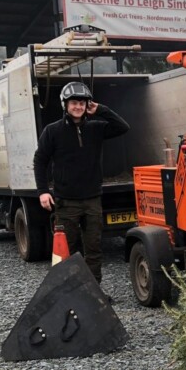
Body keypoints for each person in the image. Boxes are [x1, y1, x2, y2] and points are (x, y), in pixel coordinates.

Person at [33, 81, 130, 284]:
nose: (78, 107)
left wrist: (101, 109)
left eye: (82, 103)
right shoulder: (52, 131)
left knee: (94, 249)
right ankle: (71, 292)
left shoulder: (96, 128)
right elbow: (40, 161)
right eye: (74, 103)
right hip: (66, 202)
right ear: (65, 105)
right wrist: (42, 191)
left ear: (88, 105)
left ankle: (94, 291)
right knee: (68, 249)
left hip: (92, 200)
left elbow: (123, 127)